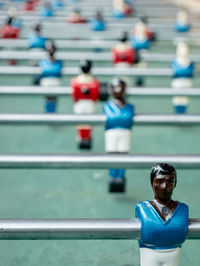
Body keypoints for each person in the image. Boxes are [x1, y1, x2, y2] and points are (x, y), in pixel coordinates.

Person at [135, 163, 189, 266]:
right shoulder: (143, 209)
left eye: (169, 181)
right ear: (152, 183)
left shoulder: (182, 209)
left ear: (175, 183)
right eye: (159, 181)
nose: (164, 187)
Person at [103, 79, 134, 192]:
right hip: (112, 133)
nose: (119, 90)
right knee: (112, 154)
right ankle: (113, 176)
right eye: (116, 87)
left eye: (121, 87)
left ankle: (120, 177)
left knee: (123, 154)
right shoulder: (107, 106)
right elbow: (123, 119)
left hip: (124, 133)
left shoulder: (129, 107)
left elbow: (124, 119)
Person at [71, 60, 100, 149]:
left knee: (86, 123)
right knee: (82, 122)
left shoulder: (77, 81)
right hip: (84, 103)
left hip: (85, 103)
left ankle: (86, 138)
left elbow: (95, 95)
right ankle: (83, 138)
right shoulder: (92, 81)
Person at [34, 40, 62, 113]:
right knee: (48, 100)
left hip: (55, 83)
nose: (51, 50)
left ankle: (53, 114)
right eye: (49, 48)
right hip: (46, 83)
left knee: (53, 100)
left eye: (52, 48)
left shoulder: (59, 62)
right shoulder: (42, 62)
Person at [171, 42, 194, 114]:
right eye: (181, 49)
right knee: (178, 99)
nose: (183, 51)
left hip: (186, 83)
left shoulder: (191, 63)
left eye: (185, 48)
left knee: (184, 99)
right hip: (177, 84)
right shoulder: (174, 63)